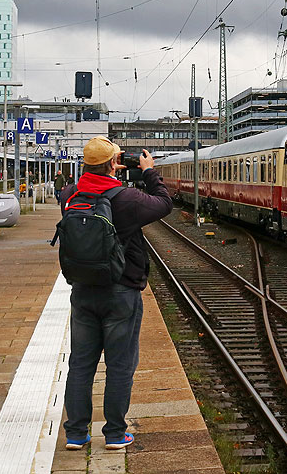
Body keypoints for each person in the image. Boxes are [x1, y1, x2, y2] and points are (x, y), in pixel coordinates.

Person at [59, 136, 173, 451]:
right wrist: (149, 172)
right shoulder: (126, 198)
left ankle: (76, 434)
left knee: (81, 363)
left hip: (82, 290)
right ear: (114, 163)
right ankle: (114, 434)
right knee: (120, 365)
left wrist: (106, 169)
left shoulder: (70, 195)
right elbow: (164, 203)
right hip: (122, 291)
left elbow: (79, 190)